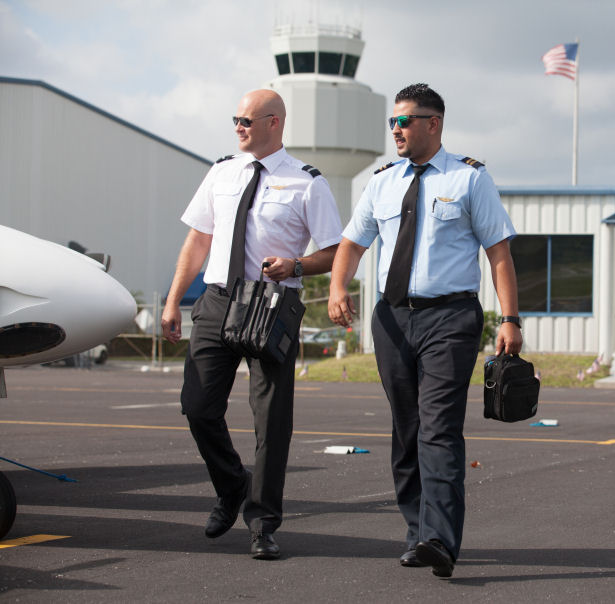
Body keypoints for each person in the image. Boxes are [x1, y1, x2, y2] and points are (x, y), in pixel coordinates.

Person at [328, 83, 523, 578]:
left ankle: (440, 539)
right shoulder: (382, 181)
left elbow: (498, 253)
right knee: (406, 429)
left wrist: (510, 318)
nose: (396, 129)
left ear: (433, 124)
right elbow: (352, 243)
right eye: (393, 121)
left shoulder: (469, 179)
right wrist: (337, 288)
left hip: (450, 318)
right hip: (392, 319)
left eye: (405, 120)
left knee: (438, 428)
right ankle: (417, 531)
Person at [161, 89, 342, 560]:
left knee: (271, 421)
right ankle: (231, 484)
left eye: (247, 119)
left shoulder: (307, 183)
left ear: (274, 123)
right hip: (218, 302)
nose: (238, 126)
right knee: (198, 407)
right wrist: (173, 301)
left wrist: (296, 266)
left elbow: (335, 252)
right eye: (235, 118)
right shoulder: (221, 172)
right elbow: (198, 240)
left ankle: (262, 524)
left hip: (271, 306)